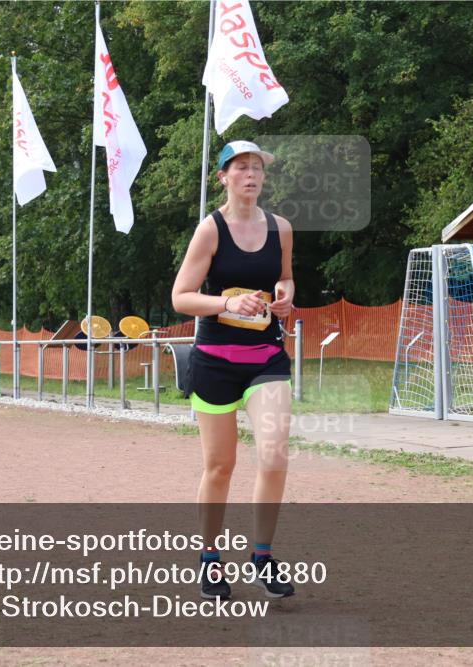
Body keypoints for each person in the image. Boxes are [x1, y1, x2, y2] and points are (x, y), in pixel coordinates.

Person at [172, 140, 295, 600]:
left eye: (257, 168)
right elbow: (181, 297)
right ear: (223, 176)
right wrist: (226, 302)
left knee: (274, 455)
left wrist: (284, 297)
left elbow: (284, 276)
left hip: (265, 356)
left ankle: (262, 556)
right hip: (216, 362)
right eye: (241, 167)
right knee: (221, 465)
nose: (251, 175)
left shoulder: (281, 227)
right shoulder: (210, 230)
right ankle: (208, 559)